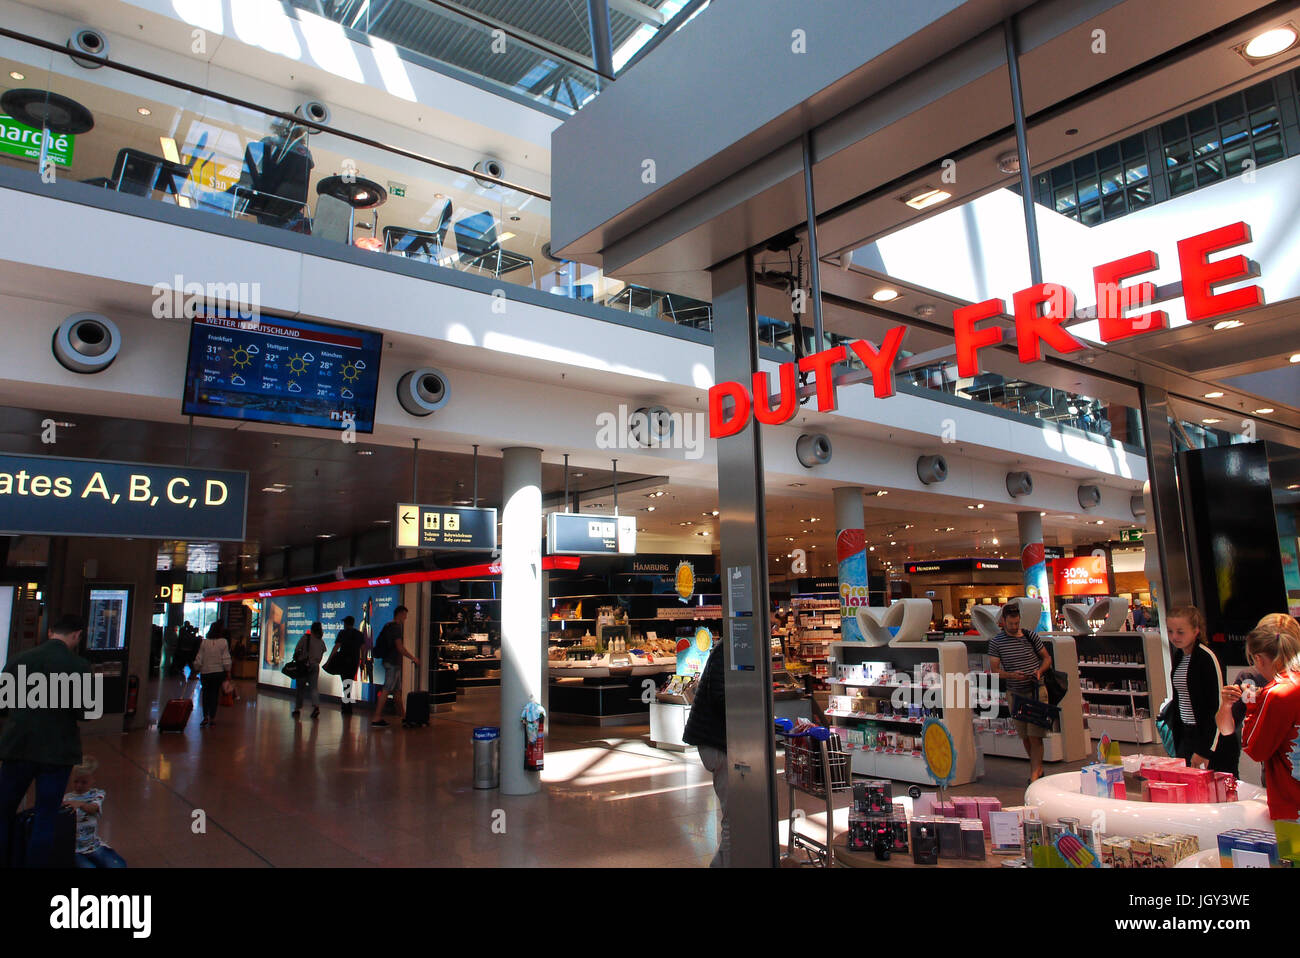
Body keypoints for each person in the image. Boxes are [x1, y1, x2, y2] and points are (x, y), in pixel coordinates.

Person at [0, 614, 93, 867]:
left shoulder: (19, 660)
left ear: (50, 632)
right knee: (46, 816)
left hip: (17, 747)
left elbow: (2, 704)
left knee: (3, 811)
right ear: (76, 636)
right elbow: (86, 713)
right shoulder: (80, 666)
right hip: (58, 751)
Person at [988, 601, 1053, 785]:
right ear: (1003, 621)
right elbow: (995, 670)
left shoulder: (1030, 636)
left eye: (1017, 623)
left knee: (1035, 735)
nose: (1015, 627)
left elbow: (1046, 658)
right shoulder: (996, 643)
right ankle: (1037, 769)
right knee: (1025, 736)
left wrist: (1039, 672)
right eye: (1011, 624)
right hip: (1015, 693)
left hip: (1036, 690)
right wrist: (1012, 676)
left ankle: (1034, 776)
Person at [1165, 605, 1236, 774]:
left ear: (1196, 630)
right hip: (1187, 733)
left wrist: (1205, 750)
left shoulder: (1208, 657)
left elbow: (1217, 705)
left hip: (1211, 738)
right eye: (1170, 631)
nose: (1174, 637)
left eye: (1180, 632)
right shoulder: (1179, 656)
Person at [1242, 629, 1300, 821]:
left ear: (1258, 658)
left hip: (1292, 804)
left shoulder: (1277, 693)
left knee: (1292, 852)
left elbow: (1254, 748)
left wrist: (1251, 704)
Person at [682, 645, 728, 867]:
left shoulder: (725, 651)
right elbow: (721, 697)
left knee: (734, 816)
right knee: (733, 819)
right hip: (716, 742)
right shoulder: (725, 652)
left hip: (717, 741)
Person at [62, 757, 125, 868]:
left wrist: (80, 804)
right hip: (75, 850)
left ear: (93, 780)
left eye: (84, 782)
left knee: (118, 865)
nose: (78, 786)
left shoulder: (97, 794)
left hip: (93, 845)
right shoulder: (66, 798)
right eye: (75, 781)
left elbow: (93, 808)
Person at [371, 607, 417, 728]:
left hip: (388, 661)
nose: (406, 618)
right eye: (405, 615)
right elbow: (399, 647)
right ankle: (376, 717)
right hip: (392, 663)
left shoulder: (388, 625)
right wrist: (413, 658)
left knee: (396, 691)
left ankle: (404, 717)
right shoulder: (396, 628)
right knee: (387, 689)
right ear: (400, 614)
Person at [192, 623, 232, 728]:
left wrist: (196, 668)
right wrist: (228, 671)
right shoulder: (223, 642)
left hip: (205, 673)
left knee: (205, 694)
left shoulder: (204, 642)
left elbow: (199, 657)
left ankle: (205, 717)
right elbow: (226, 658)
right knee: (214, 695)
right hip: (218, 672)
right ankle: (212, 718)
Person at [331, 615, 367, 717]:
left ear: (346, 623)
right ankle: (347, 704)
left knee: (345, 682)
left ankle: (346, 705)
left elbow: (336, 646)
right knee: (349, 682)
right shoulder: (359, 634)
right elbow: (363, 649)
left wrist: (330, 659)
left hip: (343, 661)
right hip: (354, 661)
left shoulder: (342, 633)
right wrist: (363, 662)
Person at [292, 622, 326, 720]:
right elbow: (322, 653)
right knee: (314, 688)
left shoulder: (306, 638)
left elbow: (297, 648)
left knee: (300, 688)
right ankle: (316, 707)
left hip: (304, 666)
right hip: (315, 666)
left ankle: (297, 708)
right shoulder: (321, 641)